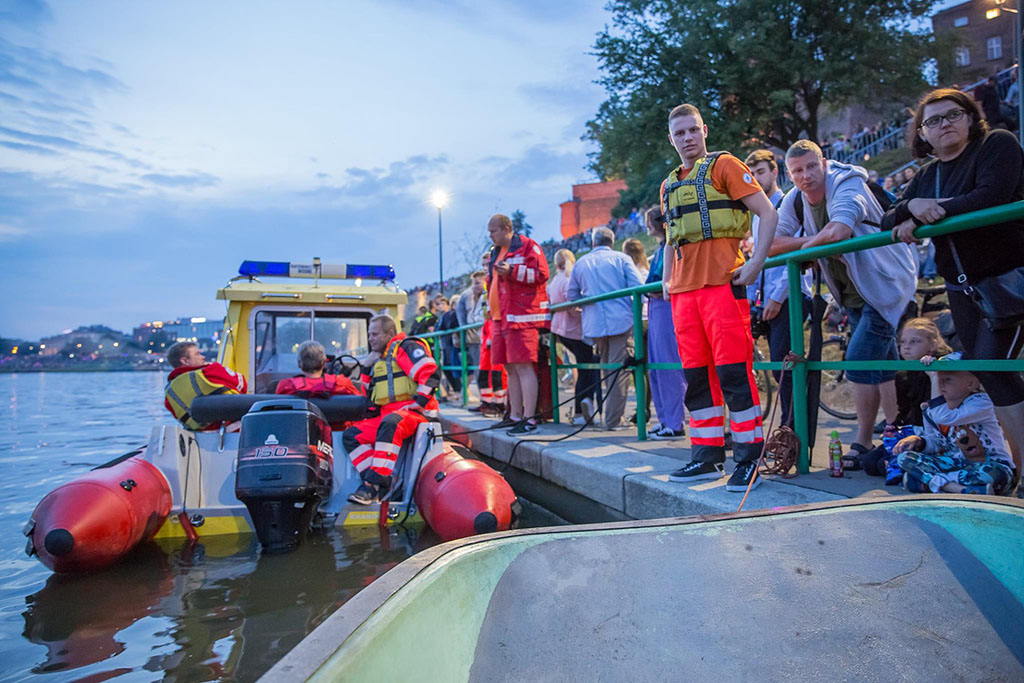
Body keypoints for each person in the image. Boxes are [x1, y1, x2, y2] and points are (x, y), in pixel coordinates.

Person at [882, 88, 1024, 480]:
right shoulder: (929, 174)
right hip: (961, 286)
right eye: (933, 121)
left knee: (992, 368)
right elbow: (885, 218)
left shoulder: (997, 143)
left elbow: (991, 195)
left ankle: (1018, 467)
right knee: (983, 368)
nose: (943, 125)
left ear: (970, 117)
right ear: (922, 134)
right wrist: (911, 207)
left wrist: (929, 214)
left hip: (1007, 277)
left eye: (952, 115)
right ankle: (1003, 463)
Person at [774, 140, 917, 462]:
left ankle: (863, 440)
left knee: (859, 359)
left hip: (885, 284)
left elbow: (838, 230)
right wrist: (812, 247)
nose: (806, 175)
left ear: (824, 163)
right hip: (851, 292)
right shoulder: (794, 200)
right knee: (882, 364)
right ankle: (897, 428)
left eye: (812, 166)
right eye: (798, 170)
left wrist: (801, 250)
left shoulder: (847, 181)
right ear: (789, 175)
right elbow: (770, 244)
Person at [660, 103, 778, 492]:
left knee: (734, 373)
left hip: (722, 287)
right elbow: (671, 239)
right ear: (672, 138)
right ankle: (707, 457)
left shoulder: (725, 166)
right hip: (682, 294)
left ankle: (749, 459)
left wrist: (757, 262)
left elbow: (767, 213)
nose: (687, 138)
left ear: (704, 131)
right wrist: (665, 280)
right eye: (680, 133)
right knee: (696, 379)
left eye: (693, 130)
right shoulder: (669, 184)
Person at [342, 314, 440, 504]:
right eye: (369, 335)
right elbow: (369, 394)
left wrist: (419, 402)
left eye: (375, 334)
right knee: (351, 435)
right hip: (390, 415)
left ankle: (372, 486)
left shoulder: (405, 348)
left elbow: (430, 371)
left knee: (390, 423)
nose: (371, 339)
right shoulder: (380, 358)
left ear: (390, 333)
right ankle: (379, 478)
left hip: (415, 414)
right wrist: (365, 368)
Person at [744, 149, 809, 428]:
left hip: (790, 294)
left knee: (786, 365)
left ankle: (791, 430)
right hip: (767, 297)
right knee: (778, 367)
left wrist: (776, 297)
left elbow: (792, 256)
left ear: (774, 172)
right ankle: (788, 427)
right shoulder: (758, 212)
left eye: (761, 172)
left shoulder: (788, 203)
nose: (756, 178)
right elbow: (758, 261)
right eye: (752, 174)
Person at [894, 355, 1015, 495]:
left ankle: (936, 484)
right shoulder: (931, 410)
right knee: (904, 458)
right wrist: (919, 442)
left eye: (947, 380)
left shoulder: (981, 403)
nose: (940, 384)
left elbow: (945, 417)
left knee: (990, 473)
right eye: (938, 379)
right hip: (956, 465)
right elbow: (935, 444)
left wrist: (933, 377)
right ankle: (963, 489)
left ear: (971, 384)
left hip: (991, 464)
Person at [567, 227, 644, 431]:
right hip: (622, 320)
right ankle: (613, 420)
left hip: (594, 325)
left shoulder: (581, 262)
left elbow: (571, 294)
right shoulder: (621, 259)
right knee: (619, 371)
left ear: (593, 243)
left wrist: (589, 303)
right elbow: (638, 286)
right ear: (612, 241)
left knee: (606, 370)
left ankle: (603, 415)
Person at [486, 214, 550, 435]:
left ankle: (529, 418)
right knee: (510, 367)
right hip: (500, 318)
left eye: (493, 231)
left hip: (521, 317)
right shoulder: (495, 252)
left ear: (506, 229)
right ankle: (514, 415)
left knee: (523, 366)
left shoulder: (528, 247)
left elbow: (542, 274)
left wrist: (512, 272)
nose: (490, 235)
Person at [644, 207, 687, 440]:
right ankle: (664, 419)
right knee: (657, 365)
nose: (646, 226)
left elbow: (660, 278)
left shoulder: (669, 248)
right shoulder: (661, 249)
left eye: (648, 222)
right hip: (656, 309)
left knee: (669, 364)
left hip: (666, 308)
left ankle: (674, 422)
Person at [547, 248, 598, 425]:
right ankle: (583, 406)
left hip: (559, 329)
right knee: (588, 366)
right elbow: (572, 304)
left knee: (584, 365)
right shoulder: (569, 279)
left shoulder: (555, 281)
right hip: (573, 329)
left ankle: (581, 407)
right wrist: (587, 311)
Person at [164, 341, 248, 431]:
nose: (203, 357)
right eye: (198, 354)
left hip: (199, 438)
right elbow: (242, 385)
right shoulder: (210, 371)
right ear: (184, 361)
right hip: (236, 430)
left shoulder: (169, 394)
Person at [275, 340, 361, 398]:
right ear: (323, 364)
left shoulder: (285, 387)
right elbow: (361, 405)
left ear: (299, 364)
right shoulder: (343, 384)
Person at [455, 270, 487, 380]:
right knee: (479, 365)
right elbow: (470, 317)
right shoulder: (470, 295)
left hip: (476, 335)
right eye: (474, 283)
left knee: (480, 365)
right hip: (475, 335)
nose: (475, 286)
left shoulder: (481, 295)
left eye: (477, 283)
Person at [434, 295, 462, 398]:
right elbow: (437, 328)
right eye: (439, 304)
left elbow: (446, 326)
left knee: (453, 367)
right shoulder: (441, 317)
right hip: (445, 345)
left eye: (443, 304)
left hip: (451, 344)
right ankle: (457, 390)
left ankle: (460, 390)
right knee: (447, 368)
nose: (440, 306)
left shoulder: (449, 314)